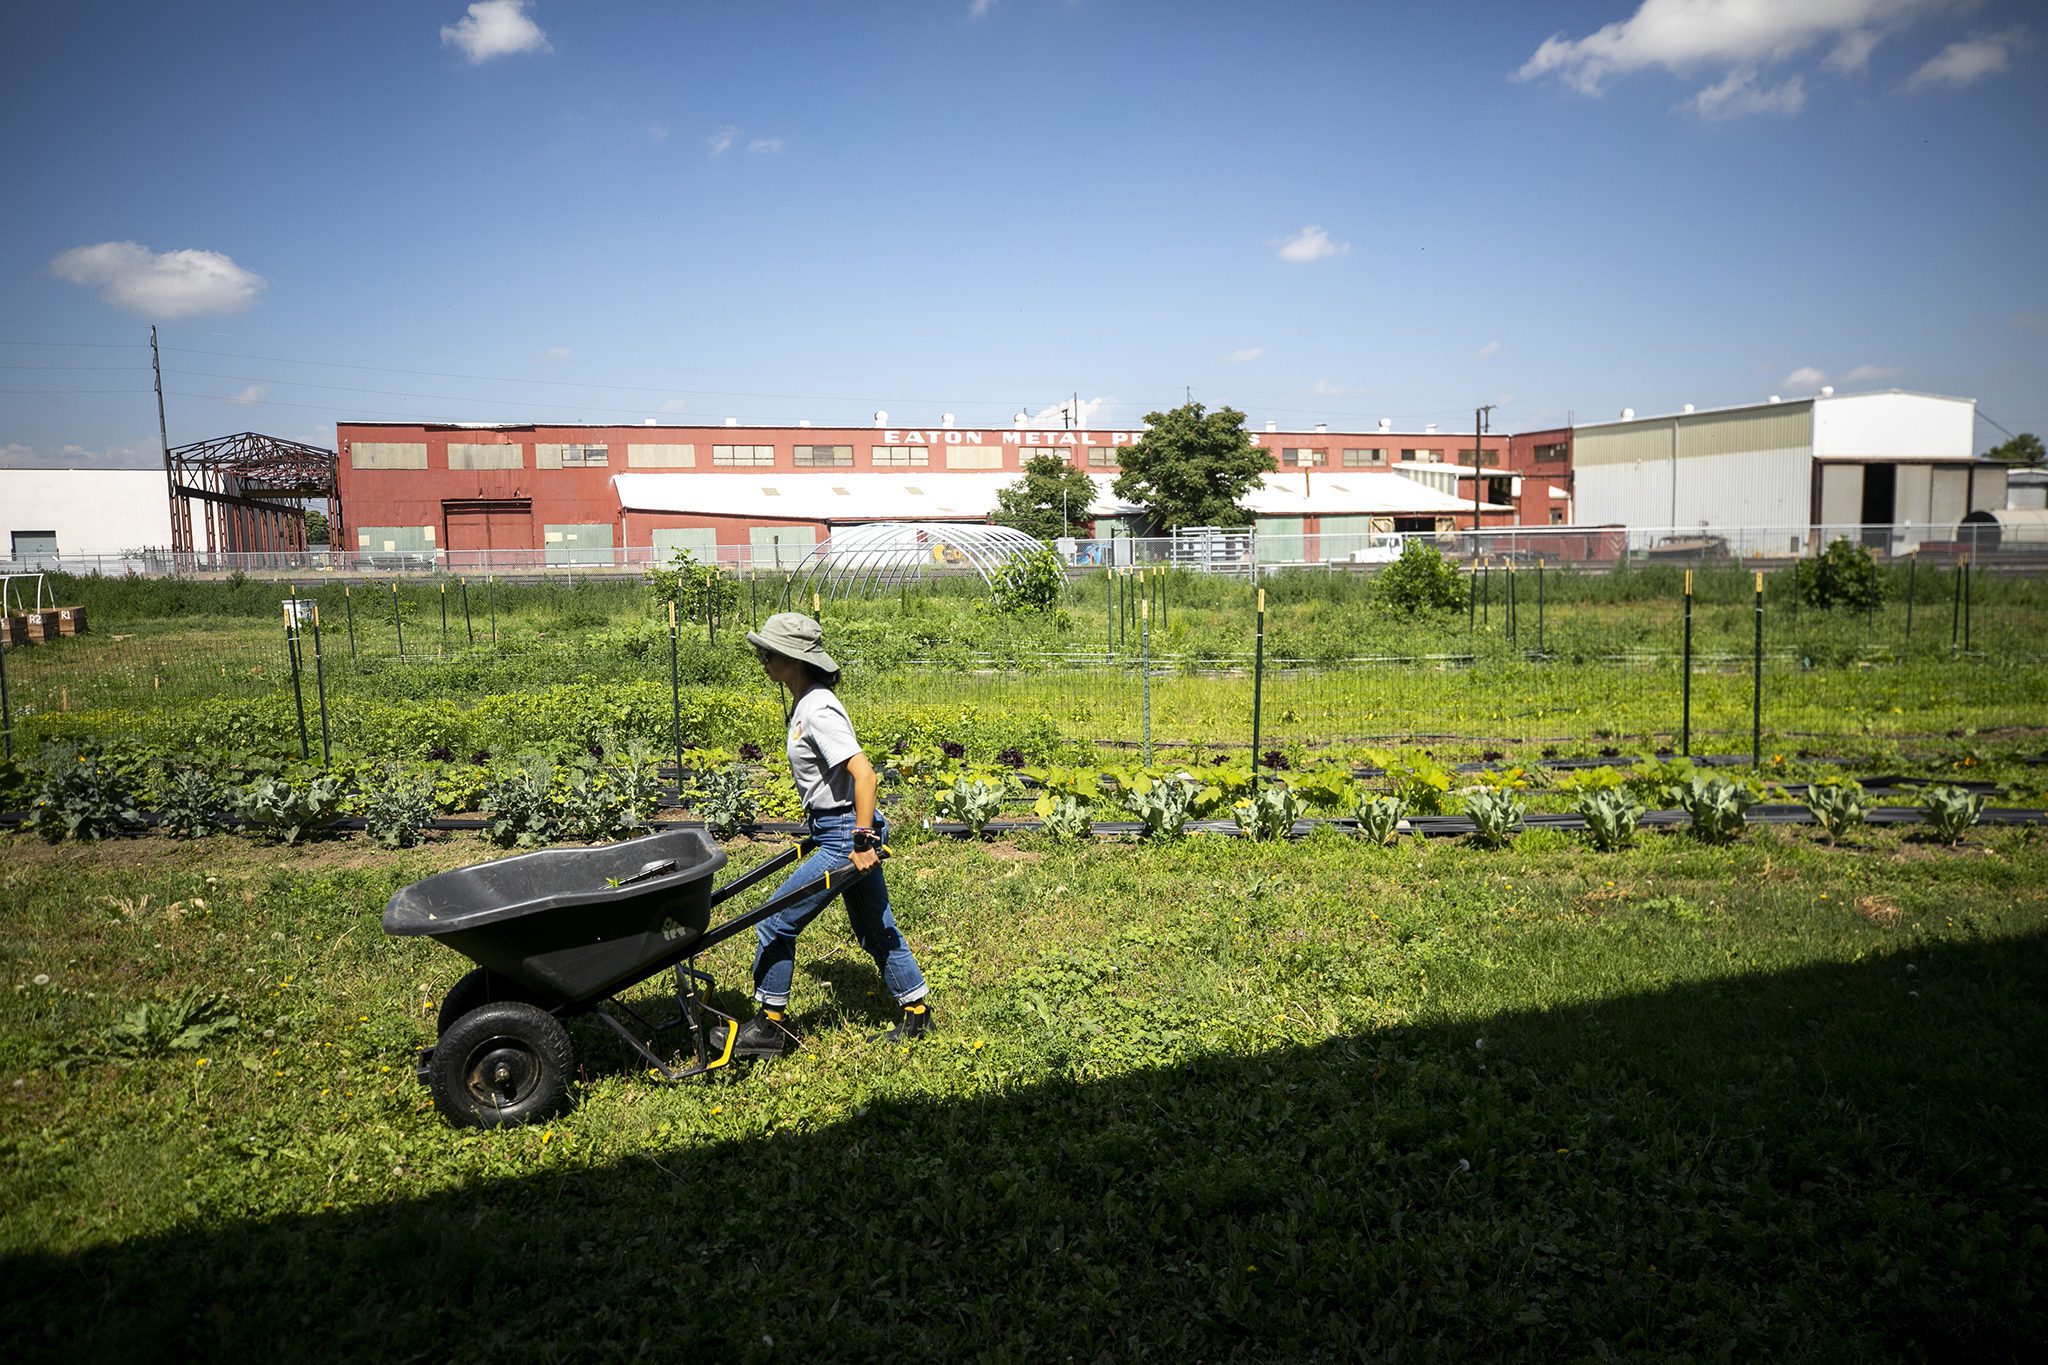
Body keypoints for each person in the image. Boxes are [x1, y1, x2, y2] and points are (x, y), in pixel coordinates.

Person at [731, 612, 934, 1057]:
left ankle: (770, 1027)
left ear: (793, 660)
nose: (763, 661)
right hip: (837, 827)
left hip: (847, 833)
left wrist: (861, 841)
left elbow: (865, 775)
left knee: (775, 920)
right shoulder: (806, 702)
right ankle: (918, 1014)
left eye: (769, 654)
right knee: (875, 928)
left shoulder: (819, 708)